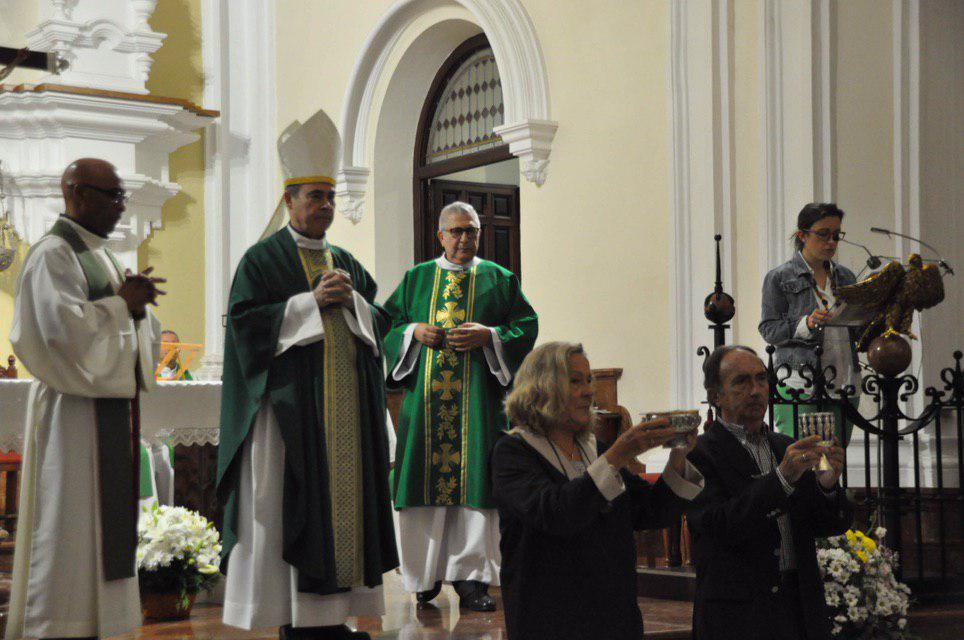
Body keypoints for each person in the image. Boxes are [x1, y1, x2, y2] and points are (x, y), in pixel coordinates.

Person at [216, 109, 397, 640]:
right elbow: (245, 329)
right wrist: (308, 303)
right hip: (290, 417)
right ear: (290, 199)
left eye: (331, 196)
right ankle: (295, 618)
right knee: (288, 506)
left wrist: (356, 306)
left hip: (343, 417)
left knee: (346, 514)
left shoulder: (345, 259)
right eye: (314, 196)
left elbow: (380, 321)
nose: (325, 206)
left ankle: (334, 618)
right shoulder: (262, 260)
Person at [6, 158, 164, 640]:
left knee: (98, 527)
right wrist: (124, 306)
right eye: (111, 195)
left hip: (107, 407)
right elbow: (57, 332)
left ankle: (98, 625)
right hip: (71, 412)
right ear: (75, 192)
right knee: (67, 522)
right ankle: (57, 625)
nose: (120, 206)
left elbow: (131, 324)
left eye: (122, 196)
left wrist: (136, 313)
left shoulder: (104, 255)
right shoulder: (53, 253)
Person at [383, 201, 538, 611]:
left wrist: (490, 337)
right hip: (425, 407)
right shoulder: (417, 278)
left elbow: (526, 326)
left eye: (471, 230)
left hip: (478, 406)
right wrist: (413, 331)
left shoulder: (499, 279)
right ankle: (424, 575)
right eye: (456, 231)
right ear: (440, 236)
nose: (464, 238)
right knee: (422, 484)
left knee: (475, 486)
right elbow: (386, 324)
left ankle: (472, 581)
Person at [491, 342, 703, 640]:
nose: (589, 390)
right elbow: (555, 513)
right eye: (575, 381)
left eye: (589, 380)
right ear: (542, 388)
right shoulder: (513, 453)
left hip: (613, 617)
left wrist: (679, 455)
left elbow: (650, 511)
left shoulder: (594, 450)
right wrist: (617, 456)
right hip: (549, 619)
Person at [686, 345, 853, 640]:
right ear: (715, 395)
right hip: (739, 616)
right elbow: (718, 525)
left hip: (798, 609)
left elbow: (825, 525)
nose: (756, 390)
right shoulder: (699, 454)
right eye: (741, 381)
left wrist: (826, 486)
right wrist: (780, 480)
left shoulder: (783, 445)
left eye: (761, 379)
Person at [759, 203, 860, 445]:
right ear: (802, 235)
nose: (831, 242)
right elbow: (769, 330)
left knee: (833, 462)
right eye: (823, 234)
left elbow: (857, 329)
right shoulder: (779, 277)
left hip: (843, 379)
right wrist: (806, 323)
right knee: (802, 459)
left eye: (836, 235)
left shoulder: (846, 277)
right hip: (798, 381)